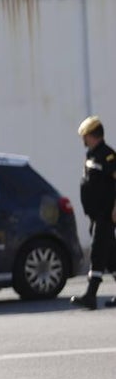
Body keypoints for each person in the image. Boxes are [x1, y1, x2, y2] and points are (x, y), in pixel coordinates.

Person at [71, 115, 116, 310]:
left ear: (93, 135)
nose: (83, 140)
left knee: (98, 252)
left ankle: (91, 295)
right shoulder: (91, 155)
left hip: (106, 213)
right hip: (95, 214)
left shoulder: (108, 155)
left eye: (85, 136)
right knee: (111, 254)